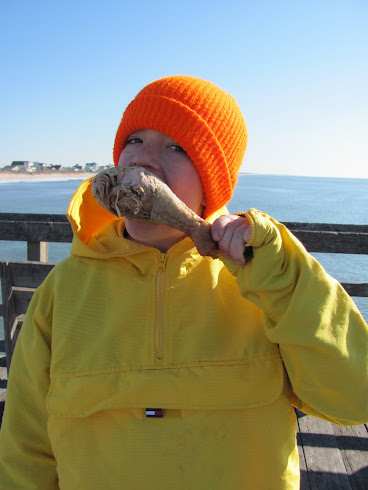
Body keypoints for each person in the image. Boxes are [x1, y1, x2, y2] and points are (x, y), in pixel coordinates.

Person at [0, 75, 367, 490]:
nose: (144, 161)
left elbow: (353, 399)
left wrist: (281, 274)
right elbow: (25, 446)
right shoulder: (63, 291)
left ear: (213, 184)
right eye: (134, 140)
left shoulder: (261, 280)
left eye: (177, 147)